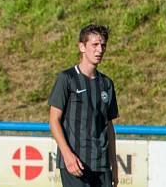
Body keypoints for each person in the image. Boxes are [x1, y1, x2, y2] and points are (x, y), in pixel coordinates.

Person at [48, 25, 119, 187]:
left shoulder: (106, 84)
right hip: (76, 164)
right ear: (82, 46)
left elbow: (108, 126)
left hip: (101, 165)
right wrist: (67, 155)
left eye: (103, 45)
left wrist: (114, 164)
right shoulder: (67, 79)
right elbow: (54, 120)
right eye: (94, 45)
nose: (99, 50)